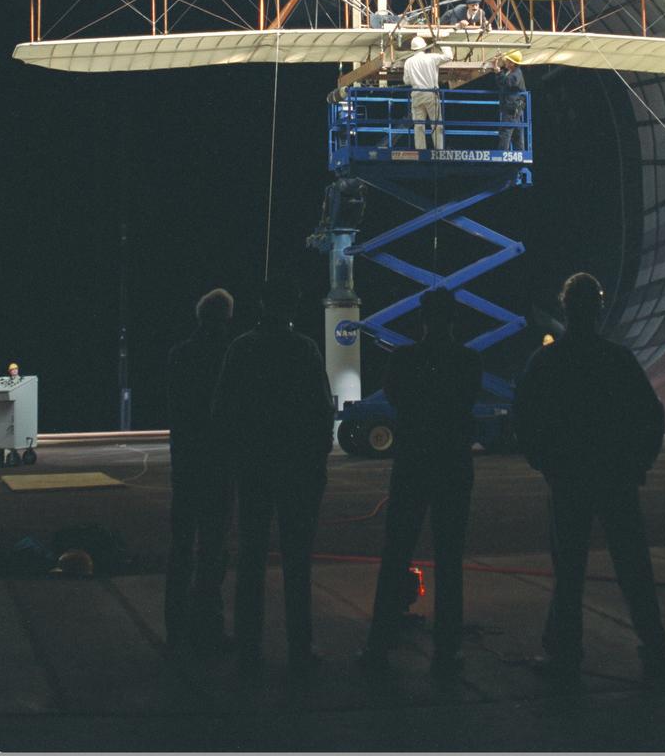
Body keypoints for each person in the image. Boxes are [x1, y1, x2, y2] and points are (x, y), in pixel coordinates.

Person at [515, 272, 665, 690]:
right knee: (634, 566)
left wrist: (546, 463)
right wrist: (639, 464)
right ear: (599, 309)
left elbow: (524, 418)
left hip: (570, 480)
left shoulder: (547, 361)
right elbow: (651, 415)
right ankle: (655, 646)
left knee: (569, 570)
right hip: (616, 478)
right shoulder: (618, 359)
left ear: (565, 308)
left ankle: (564, 654)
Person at [213, 278, 334, 680]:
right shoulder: (304, 349)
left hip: (254, 467)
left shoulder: (242, 348)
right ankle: (300, 645)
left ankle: (250, 646)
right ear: (292, 304)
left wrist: (235, 458)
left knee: (251, 558)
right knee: (297, 562)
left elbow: (223, 409)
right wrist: (318, 465)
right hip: (296, 469)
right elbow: (320, 412)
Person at [362, 287, 482, 678]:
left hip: (413, 465)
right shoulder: (467, 360)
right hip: (452, 466)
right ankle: (447, 650)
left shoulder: (404, 359)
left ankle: (379, 643)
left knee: (395, 553)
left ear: (423, 319)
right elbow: (465, 402)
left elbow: (396, 398)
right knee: (449, 560)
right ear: (453, 319)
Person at [165, 288, 236, 653]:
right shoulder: (228, 356)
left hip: (186, 465)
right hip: (218, 466)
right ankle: (208, 628)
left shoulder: (179, 355)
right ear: (224, 319)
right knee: (212, 549)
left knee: (180, 549)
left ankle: (174, 628)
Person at [402, 36, 453, 151]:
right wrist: (442, 42)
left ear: (412, 49)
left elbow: (406, 81)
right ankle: (439, 150)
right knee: (436, 124)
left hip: (416, 95)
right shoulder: (431, 58)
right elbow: (449, 56)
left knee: (418, 125)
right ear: (424, 47)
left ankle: (420, 150)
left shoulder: (408, 62)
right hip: (431, 94)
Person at [492, 51, 526, 151]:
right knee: (516, 133)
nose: (505, 62)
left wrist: (498, 72)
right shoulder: (511, 72)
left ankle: (503, 156)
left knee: (506, 132)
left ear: (512, 63)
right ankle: (520, 155)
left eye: (507, 60)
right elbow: (502, 83)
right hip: (513, 107)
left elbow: (507, 82)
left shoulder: (516, 74)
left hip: (512, 108)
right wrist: (498, 71)